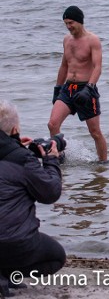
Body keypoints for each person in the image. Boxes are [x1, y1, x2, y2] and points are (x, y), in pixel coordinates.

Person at [0, 100, 66, 297]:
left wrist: (14, 145)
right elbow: (50, 193)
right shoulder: (22, 159)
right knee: (55, 257)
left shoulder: (18, 155)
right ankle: (7, 273)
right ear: (15, 129)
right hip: (13, 241)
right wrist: (51, 160)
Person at [48, 6, 108, 163]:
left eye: (71, 23)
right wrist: (57, 89)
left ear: (80, 21)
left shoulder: (92, 40)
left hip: (86, 89)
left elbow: (97, 67)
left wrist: (89, 89)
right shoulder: (66, 40)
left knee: (95, 132)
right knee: (52, 124)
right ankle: (59, 159)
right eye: (66, 23)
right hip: (68, 89)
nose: (68, 27)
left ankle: (103, 165)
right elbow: (64, 66)